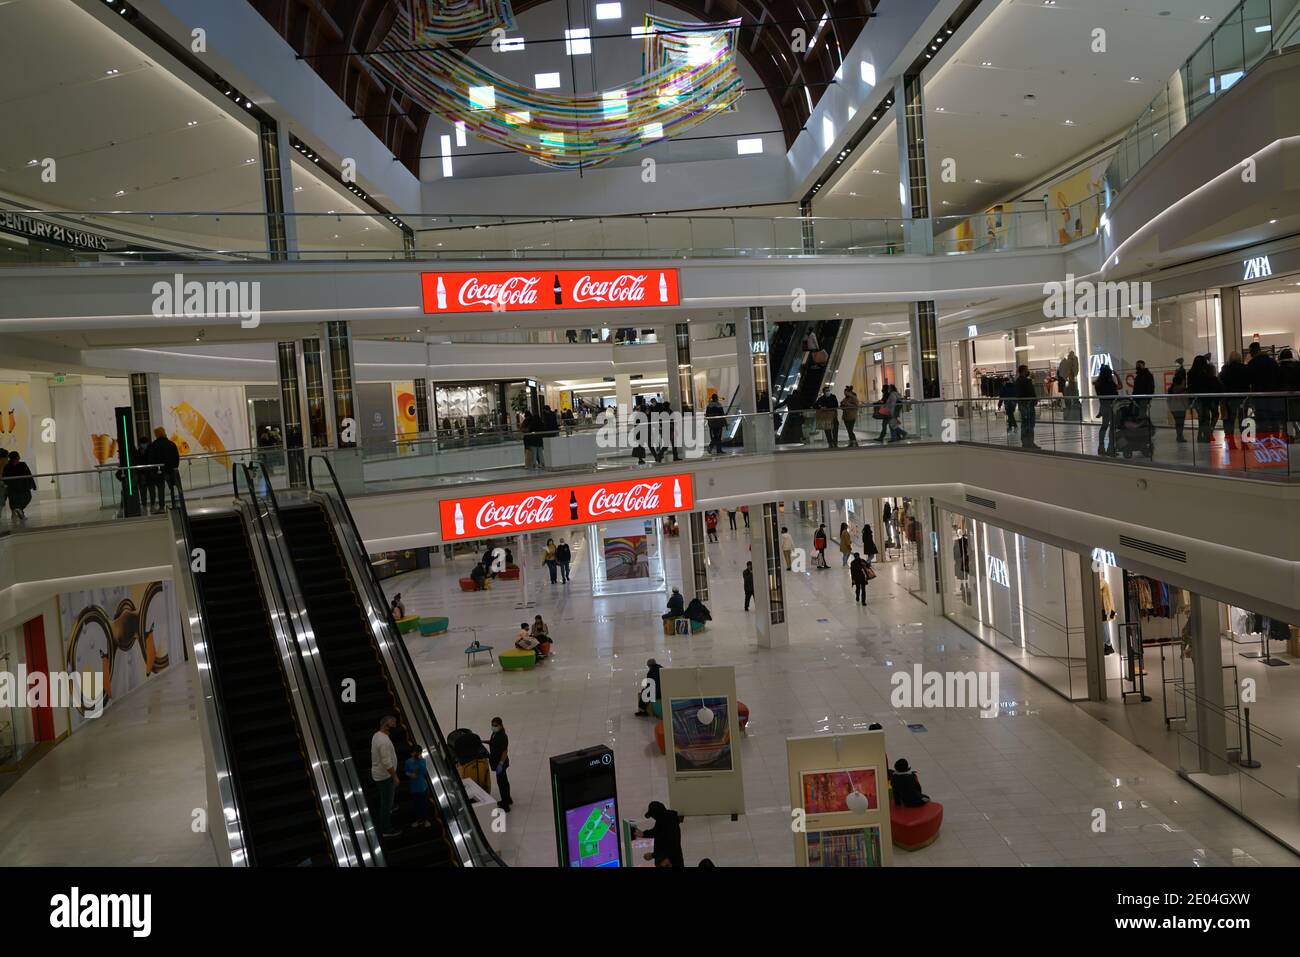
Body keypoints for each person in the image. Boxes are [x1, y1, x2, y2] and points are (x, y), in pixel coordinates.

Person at [371, 715, 401, 837]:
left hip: (379, 773)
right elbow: (386, 762)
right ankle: (386, 829)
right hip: (385, 777)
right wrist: (394, 776)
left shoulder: (377, 735)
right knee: (386, 803)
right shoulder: (383, 741)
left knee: (387, 797)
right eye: (393, 723)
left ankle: (390, 805)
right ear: (386, 725)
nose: (395, 724)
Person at [1247, 340, 1284, 435]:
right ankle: (1276, 439)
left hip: (1259, 396)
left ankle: (1265, 440)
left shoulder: (1252, 364)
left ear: (1253, 351)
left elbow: (1249, 380)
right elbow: (1279, 377)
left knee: (1262, 419)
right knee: (1274, 417)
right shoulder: (1272, 362)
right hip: (1273, 395)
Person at [634, 801, 684, 868]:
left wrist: (668, 859)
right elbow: (657, 833)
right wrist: (653, 855)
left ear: (657, 814)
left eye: (653, 815)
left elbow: (673, 842)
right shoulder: (665, 820)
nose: (653, 818)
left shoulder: (667, 821)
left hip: (669, 862)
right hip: (666, 861)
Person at [1219, 351, 1249, 450]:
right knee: (1243, 420)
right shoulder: (1245, 369)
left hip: (1229, 399)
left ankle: (1230, 442)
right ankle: (1244, 443)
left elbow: (1221, 383)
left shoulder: (1225, 370)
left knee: (1229, 421)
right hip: (1242, 398)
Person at [146, 426, 181, 510]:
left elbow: (151, 459)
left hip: (159, 471)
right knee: (173, 488)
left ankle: (162, 507)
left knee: (160, 489)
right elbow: (176, 458)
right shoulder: (171, 444)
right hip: (171, 470)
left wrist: (153, 471)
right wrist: (174, 468)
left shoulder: (153, 445)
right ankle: (174, 504)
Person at [1188, 354, 1220, 445]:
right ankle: (1206, 435)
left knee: (1202, 418)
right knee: (1206, 417)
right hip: (1206, 398)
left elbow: (1191, 387)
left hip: (1197, 399)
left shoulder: (1191, 373)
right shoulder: (1205, 373)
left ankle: (1201, 436)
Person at [1094, 363, 1120, 457]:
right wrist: (1116, 376)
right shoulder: (1110, 383)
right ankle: (1110, 448)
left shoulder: (1098, 383)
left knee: (1104, 426)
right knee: (1112, 427)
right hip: (1112, 406)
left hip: (1103, 406)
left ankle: (1101, 447)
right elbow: (1120, 386)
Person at [3, 451, 35, 521]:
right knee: (27, 497)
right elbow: (29, 475)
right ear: (17, 457)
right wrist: (32, 485)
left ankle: (18, 511)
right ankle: (20, 511)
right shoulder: (22, 465)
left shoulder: (7, 466)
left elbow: (4, 478)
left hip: (13, 488)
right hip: (22, 487)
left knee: (15, 502)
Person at [404, 745, 431, 828]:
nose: (415, 754)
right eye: (414, 752)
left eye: (418, 752)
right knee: (415, 805)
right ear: (411, 753)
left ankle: (426, 819)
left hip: (422, 786)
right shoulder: (408, 762)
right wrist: (410, 774)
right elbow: (406, 771)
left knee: (423, 804)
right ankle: (417, 820)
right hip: (414, 787)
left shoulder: (423, 760)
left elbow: (424, 772)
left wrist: (419, 761)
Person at [489, 717, 512, 812]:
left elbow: (504, 751)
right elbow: (493, 742)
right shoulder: (495, 733)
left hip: (500, 763)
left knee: (502, 783)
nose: (493, 727)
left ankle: (505, 805)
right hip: (498, 762)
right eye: (492, 725)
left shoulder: (502, 736)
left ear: (500, 725)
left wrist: (501, 764)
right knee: (504, 781)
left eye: (495, 725)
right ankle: (508, 799)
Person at [1014, 365, 1039, 449]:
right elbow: (1031, 392)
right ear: (1024, 371)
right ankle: (1030, 442)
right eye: (1027, 370)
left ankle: (1025, 442)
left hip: (1022, 404)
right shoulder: (1027, 381)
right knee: (1030, 423)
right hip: (1028, 404)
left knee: (1024, 423)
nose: (1028, 371)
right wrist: (1035, 400)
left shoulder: (1017, 381)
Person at [1279, 348, 1300, 441]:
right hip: (1296, 395)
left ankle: (1289, 435)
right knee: (1296, 416)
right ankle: (1297, 432)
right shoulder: (1297, 367)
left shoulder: (1280, 368)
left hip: (1284, 396)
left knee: (1287, 417)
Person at [1168, 357, 1190, 443]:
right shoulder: (1182, 390)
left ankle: (1179, 435)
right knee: (1180, 421)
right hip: (1180, 406)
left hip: (1174, 406)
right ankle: (1180, 436)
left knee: (1178, 421)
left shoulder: (1172, 389)